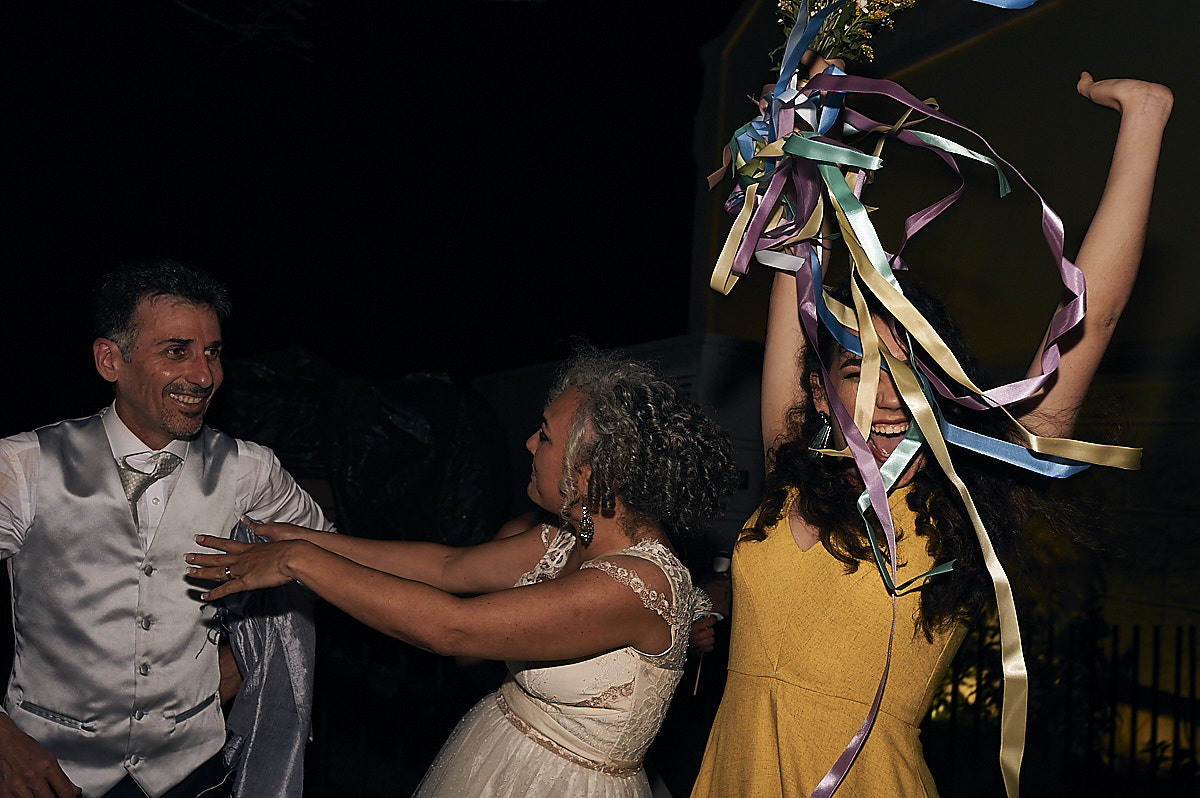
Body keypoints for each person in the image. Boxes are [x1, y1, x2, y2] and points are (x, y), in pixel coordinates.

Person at [690, 73, 1173, 797]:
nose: (886, 396)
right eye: (859, 369)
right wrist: (803, 131)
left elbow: (1090, 319)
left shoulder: (966, 505)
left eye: (910, 370)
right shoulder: (791, 473)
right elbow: (801, 265)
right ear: (820, 390)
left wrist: (1143, 117)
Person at [186, 349, 740, 797]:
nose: (529, 443)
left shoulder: (638, 586)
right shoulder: (566, 539)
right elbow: (446, 566)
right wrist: (301, 537)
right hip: (500, 751)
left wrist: (298, 562)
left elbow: (452, 628)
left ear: (591, 473)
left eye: (545, 435)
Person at [0, 259, 334, 798]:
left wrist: (248, 659)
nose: (204, 376)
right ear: (110, 360)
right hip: (51, 772)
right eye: (177, 351)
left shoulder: (250, 468)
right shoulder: (23, 465)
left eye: (213, 352)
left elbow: (330, 564)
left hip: (194, 770)